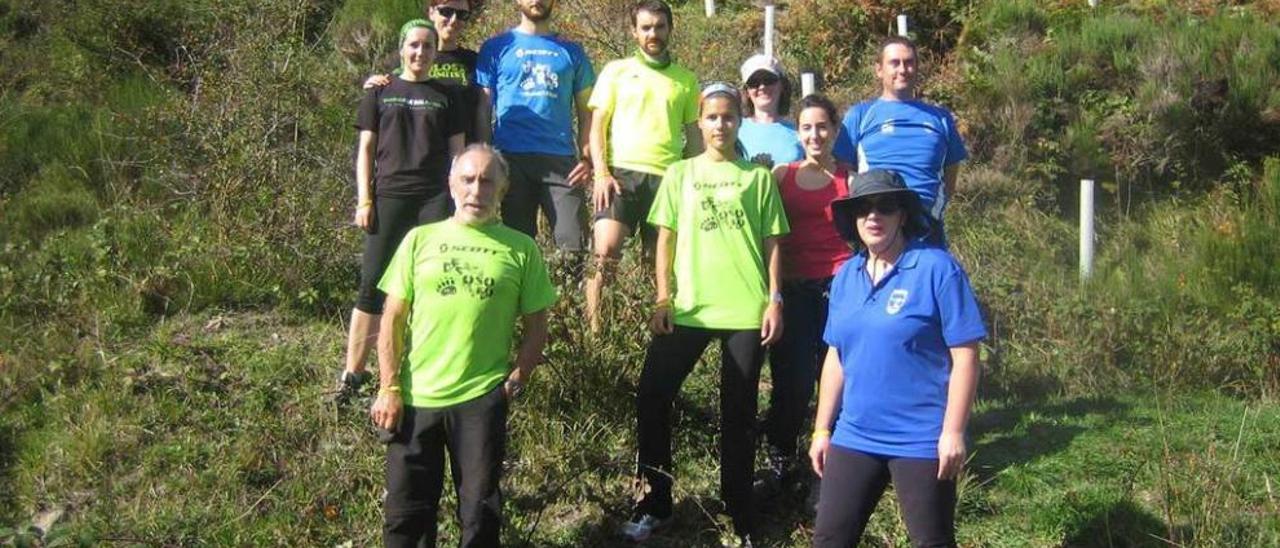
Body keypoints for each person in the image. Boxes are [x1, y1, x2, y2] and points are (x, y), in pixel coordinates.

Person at [623, 83, 788, 547]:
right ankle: (655, 503)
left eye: (729, 117)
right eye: (712, 117)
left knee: (738, 412)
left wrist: (774, 299)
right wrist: (662, 297)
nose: (720, 125)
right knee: (652, 396)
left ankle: (738, 508)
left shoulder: (756, 178)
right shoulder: (680, 174)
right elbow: (665, 240)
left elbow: (774, 241)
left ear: (739, 121)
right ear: (700, 122)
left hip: (744, 308)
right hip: (690, 308)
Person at [371, 144, 557, 547]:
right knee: (406, 517)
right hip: (416, 398)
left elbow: (537, 324)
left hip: (480, 400)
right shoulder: (420, 240)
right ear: (451, 185)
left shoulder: (521, 248)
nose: (477, 190)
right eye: (468, 179)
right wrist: (389, 387)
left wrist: (517, 378)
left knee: (479, 513)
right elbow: (392, 319)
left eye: (487, 181)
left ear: (503, 189)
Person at [808, 169, 985, 547]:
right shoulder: (845, 276)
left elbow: (966, 356)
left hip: (921, 437)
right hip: (855, 433)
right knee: (828, 540)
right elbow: (836, 356)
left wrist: (953, 432)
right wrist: (823, 429)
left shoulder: (937, 268)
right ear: (853, 219)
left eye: (885, 207)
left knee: (931, 541)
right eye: (863, 209)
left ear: (902, 215)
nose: (873, 217)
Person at [335, 19, 466, 404]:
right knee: (372, 284)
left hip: (434, 200)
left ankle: (418, 369)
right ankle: (353, 375)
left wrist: (457, 204)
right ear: (402, 48)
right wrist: (365, 200)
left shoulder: (447, 95)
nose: (420, 53)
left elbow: (458, 154)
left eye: (427, 46)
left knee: (429, 288)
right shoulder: (380, 91)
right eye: (413, 45)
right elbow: (365, 151)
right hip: (389, 196)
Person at [756, 94, 852, 494]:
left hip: (840, 290)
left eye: (822, 126)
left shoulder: (853, 178)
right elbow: (766, 233)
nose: (815, 134)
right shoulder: (782, 175)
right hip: (793, 290)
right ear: (798, 132)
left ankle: (833, 467)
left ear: (834, 130)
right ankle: (780, 458)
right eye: (807, 127)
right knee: (792, 380)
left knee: (834, 381)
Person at [585, 0, 700, 333]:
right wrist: (601, 172)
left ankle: (653, 333)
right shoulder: (616, 71)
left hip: (668, 178)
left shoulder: (686, 80)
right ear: (634, 31)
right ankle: (596, 336)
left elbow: (693, 136)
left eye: (660, 26)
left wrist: (693, 181)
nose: (653, 33)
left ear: (670, 29)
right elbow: (597, 126)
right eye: (646, 27)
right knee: (604, 253)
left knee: (658, 261)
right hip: (620, 173)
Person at [476, 0, 596, 258]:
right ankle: (522, 299)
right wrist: (486, 159)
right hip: (510, 160)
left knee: (574, 247)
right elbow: (483, 111)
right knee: (517, 250)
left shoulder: (572, 52)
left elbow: (588, 113)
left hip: (562, 162)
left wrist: (587, 158)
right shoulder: (496, 48)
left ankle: (568, 300)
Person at [831, 36, 967, 247]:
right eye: (894, 63)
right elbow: (845, 175)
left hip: (926, 228)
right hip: (878, 224)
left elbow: (950, 178)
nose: (903, 69)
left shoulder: (940, 118)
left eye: (909, 62)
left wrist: (933, 210)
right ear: (879, 69)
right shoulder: (860, 115)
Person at [364, 0, 487, 144]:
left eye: (462, 15)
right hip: (414, 154)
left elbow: (482, 112)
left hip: (461, 154)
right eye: (446, 12)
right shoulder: (405, 59)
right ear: (431, 12)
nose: (454, 20)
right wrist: (373, 84)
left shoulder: (475, 61)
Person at [738, 53, 803, 169]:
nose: (762, 87)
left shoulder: (800, 132)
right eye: (754, 83)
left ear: (782, 85)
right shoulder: (735, 129)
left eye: (768, 80)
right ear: (747, 91)